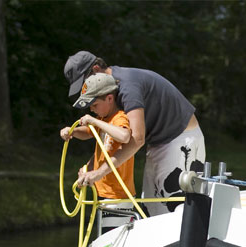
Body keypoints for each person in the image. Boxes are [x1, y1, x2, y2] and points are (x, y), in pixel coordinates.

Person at [63, 51, 204, 215]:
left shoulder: (126, 88)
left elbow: (136, 139)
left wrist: (98, 173)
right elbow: (107, 141)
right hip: (158, 141)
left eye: (84, 82)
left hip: (180, 137)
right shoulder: (110, 90)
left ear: (96, 69)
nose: (84, 90)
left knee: (173, 205)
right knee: (152, 208)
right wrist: (90, 167)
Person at [60, 72, 136, 233]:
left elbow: (124, 136)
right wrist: (72, 131)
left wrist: (94, 120)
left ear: (109, 99)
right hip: (103, 194)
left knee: (114, 239)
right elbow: (87, 132)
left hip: (118, 197)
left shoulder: (119, 118)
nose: (92, 110)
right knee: (104, 236)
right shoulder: (103, 120)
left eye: (95, 105)